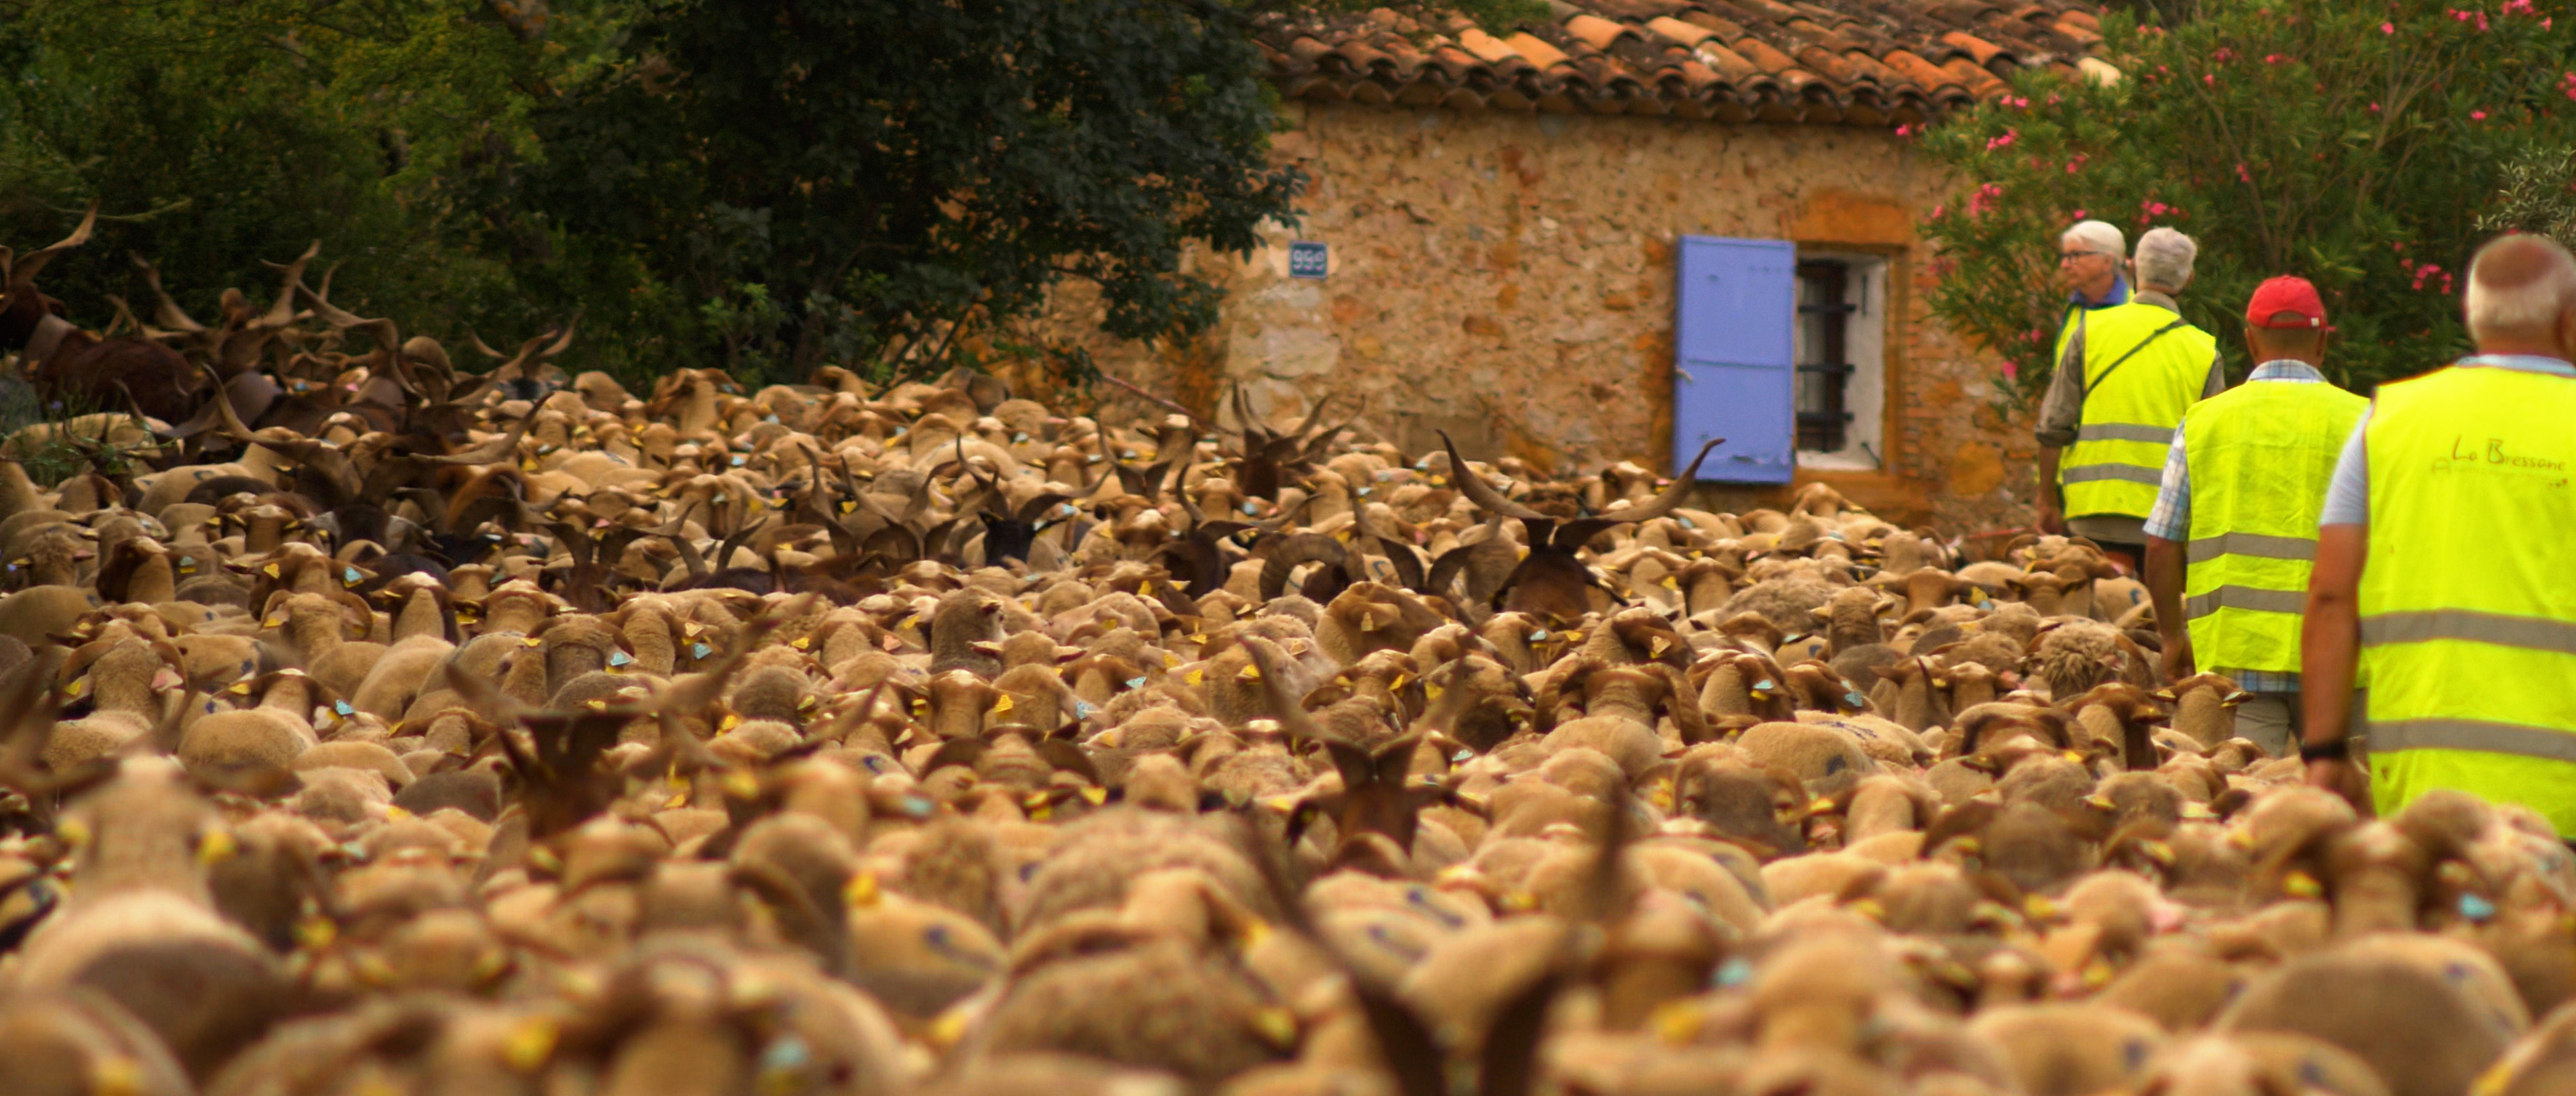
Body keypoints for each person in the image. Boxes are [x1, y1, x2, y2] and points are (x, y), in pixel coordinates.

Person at [2302, 233, 2576, 834]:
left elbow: (2330, 593)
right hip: (2562, 805)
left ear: (2472, 317)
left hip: (2423, 797)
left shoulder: (2388, 421)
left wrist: (2323, 752)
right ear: (2570, 321)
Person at [2141, 276, 2365, 756]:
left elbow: (2161, 544)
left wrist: (2171, 635)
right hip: (2341, 662)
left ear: (2248, 340)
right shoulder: (2366, 422)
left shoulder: (2203, 422)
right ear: (2324, 341)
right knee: (2345, 813)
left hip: (2234, 667)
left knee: (2238, 801)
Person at [2034, 225, 2227, 569]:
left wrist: (2047, 499)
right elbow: (2212, 449)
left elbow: (2053, 426)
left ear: (2134, 268)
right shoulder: (2204, 351)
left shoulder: (2090, 331)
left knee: (2092, 619)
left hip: (2092, 513)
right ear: (2189, 280)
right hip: (2165, 523)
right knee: (2150, 619)